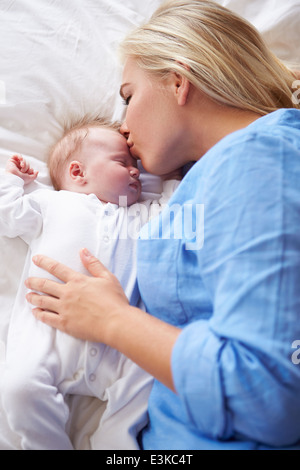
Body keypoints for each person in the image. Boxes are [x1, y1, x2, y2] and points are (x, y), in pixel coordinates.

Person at [25, 0, 300, 450]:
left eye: (129, 97)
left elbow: (269, 395)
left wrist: (113, 321)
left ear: (178, 80)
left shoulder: (260, 158)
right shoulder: (209, 177)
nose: (122, 124)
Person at [0, 116, 180, 450]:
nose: (135, 170)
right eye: (122, 162)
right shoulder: (52, 204)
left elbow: (176, 204)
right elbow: (7, 215)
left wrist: (169, 173)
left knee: (146, 381)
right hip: (49, 336)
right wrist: (13, 179)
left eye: (136, 164)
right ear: (78, 173)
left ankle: (115, 443)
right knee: (19, 388)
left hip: (120, 344)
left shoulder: (143, 213)